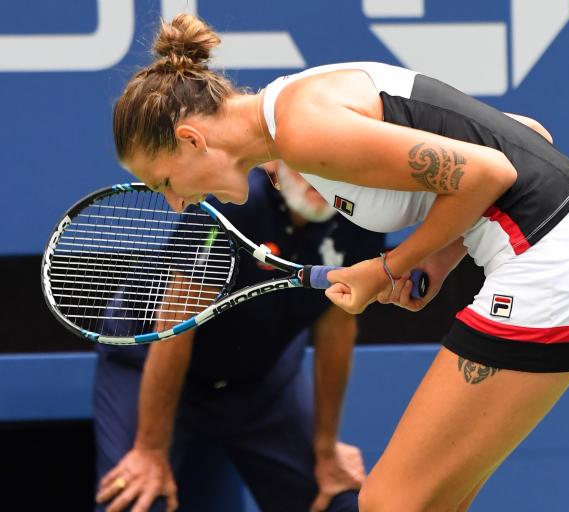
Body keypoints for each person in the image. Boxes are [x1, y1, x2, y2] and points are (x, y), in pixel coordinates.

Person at [110, 13, 569, 511]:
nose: (176, 203)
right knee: (435, 502)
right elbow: (525, 133)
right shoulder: (298, 105)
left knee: (388, 503)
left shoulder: (302, 130)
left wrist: (386, 267)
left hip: (554, 268)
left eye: (164, 184)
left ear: (191, 140)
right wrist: (437, 261)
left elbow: (489, 172)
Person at [94, 163, 385, 512]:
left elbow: (336, 331)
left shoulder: (362, 217)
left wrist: (325, 449)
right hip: (148, 361)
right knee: (136, 499)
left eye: (334, 163)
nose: (323, 177)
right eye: (310, 162)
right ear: (274, 162)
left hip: (262, 385)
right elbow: (175, 329)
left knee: (339, 500)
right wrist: (150, 450)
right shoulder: (234, 201)